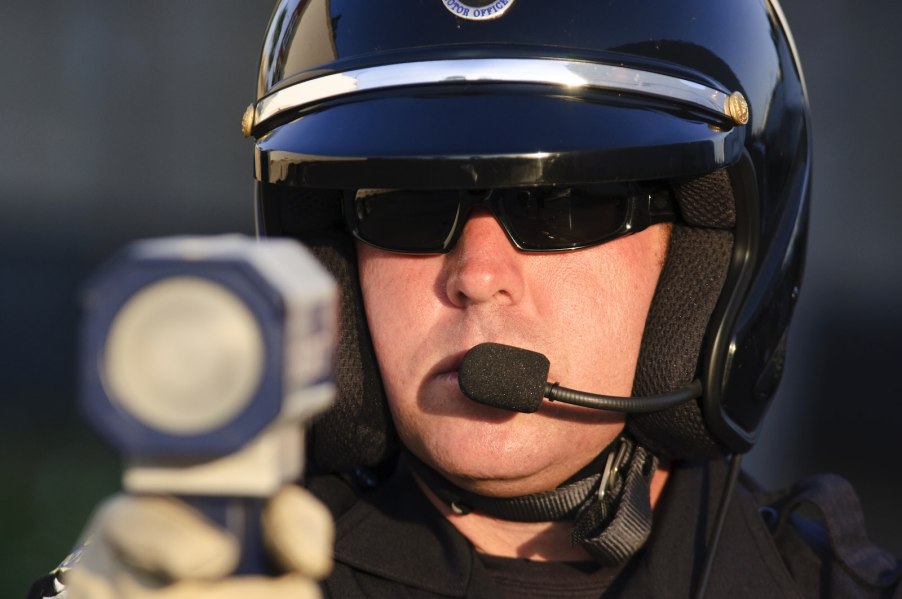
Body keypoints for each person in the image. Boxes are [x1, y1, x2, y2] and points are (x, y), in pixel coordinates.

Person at [28, 0, 902, 597]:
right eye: (408, 206)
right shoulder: (221, 575)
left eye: (559, 204)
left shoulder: (820, 583)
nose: (476, 271)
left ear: (708, 261)